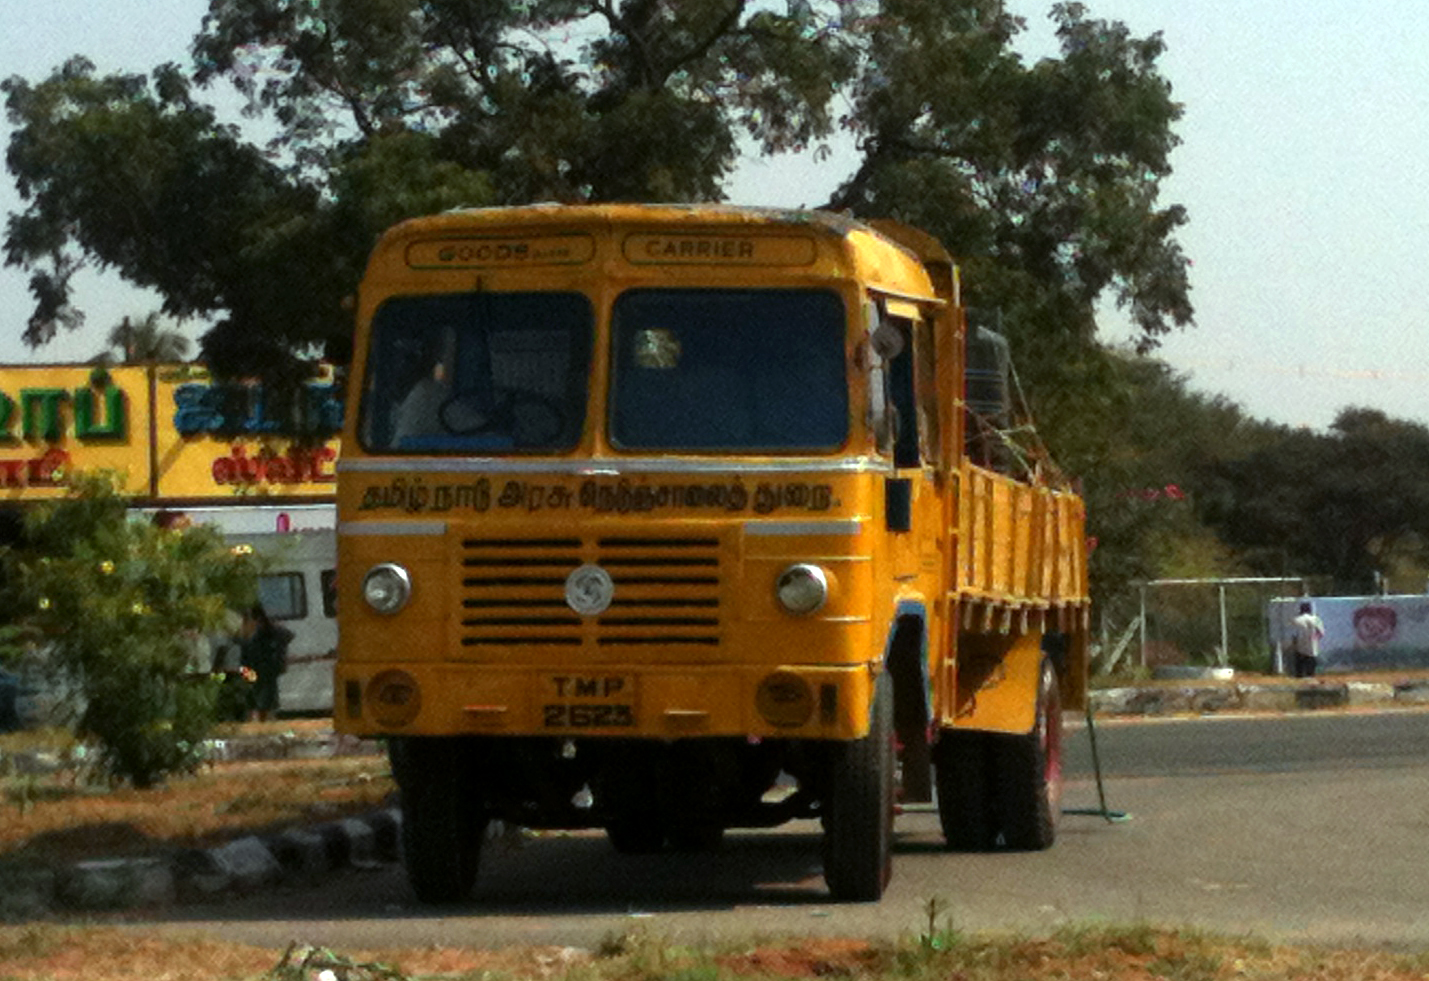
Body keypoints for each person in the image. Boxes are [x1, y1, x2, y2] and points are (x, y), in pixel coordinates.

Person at [239, 604, 294, 722]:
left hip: (266, 670)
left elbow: (287, 636)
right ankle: (258, 719)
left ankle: (265, 721)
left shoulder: (268, 632)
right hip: (253, 670)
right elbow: (245, 657)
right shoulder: (248, 635)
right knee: (253, 699)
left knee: (266, 701)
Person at [1287, 601, 1325, 678]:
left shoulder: (1296, 620)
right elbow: (1321, 632)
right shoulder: (1315, 619)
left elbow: (1293, 633)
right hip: (1312, 640)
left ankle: (1299, 674)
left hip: (1300, 641)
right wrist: (1315, 638)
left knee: (1300, 657)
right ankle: (1310, 674)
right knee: (1311, 657)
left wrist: (1294, 642)